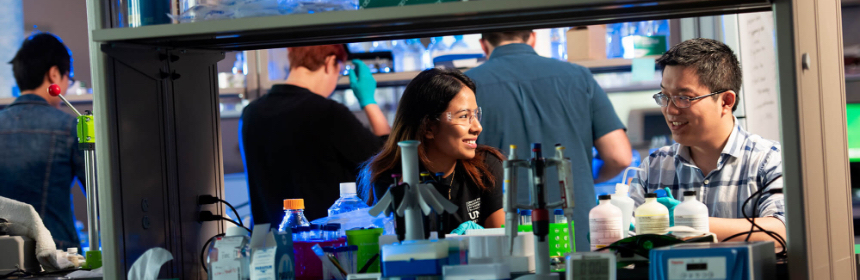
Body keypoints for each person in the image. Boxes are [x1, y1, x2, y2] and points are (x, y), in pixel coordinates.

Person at [464, 30, 631, 251]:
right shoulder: (578, 76)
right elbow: (619, 157)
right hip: (575, 231)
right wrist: (580, 177)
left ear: (483, 45)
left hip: (505, 235)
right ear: (532, 38)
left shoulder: (467, 88)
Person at [629, 38, 786, 243]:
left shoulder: (768, 160)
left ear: (726, 101)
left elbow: (780, 232)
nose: (670, 110)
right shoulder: (654, 168)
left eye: (684, 98)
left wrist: (690, 223)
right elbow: (628, 237)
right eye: (665, 96)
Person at [241, 44, 390, 223]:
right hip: (324, 245)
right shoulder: (328, 113)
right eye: (339, 71)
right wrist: (369, 101)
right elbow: (386, 160)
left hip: (270, 244)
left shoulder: (251, 114)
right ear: (329, 62)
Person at [358, 68, 505, 229]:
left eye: (476, 115)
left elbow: (501, 243)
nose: (477, 127)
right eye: (464, 116)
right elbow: (398, 245)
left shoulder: (486, 167)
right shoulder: (391, 178)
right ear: (428, 127)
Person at [0, 33, 85, 249]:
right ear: (54, 74)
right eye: (69, 79)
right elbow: (103, 195)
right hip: (53, 255)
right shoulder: (68, 127)